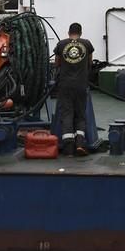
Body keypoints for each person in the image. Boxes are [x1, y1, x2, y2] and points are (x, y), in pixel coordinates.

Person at [53, 22, 94, 156]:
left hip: (65, 85)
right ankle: (80, 144)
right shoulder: (87, 44)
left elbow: (57, 63)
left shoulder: (61, 44)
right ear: (80, 33)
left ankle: (68, 149)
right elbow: (90, 63)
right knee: (80, 115)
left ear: (68, 32)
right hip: (81, 84)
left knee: (67, 114)